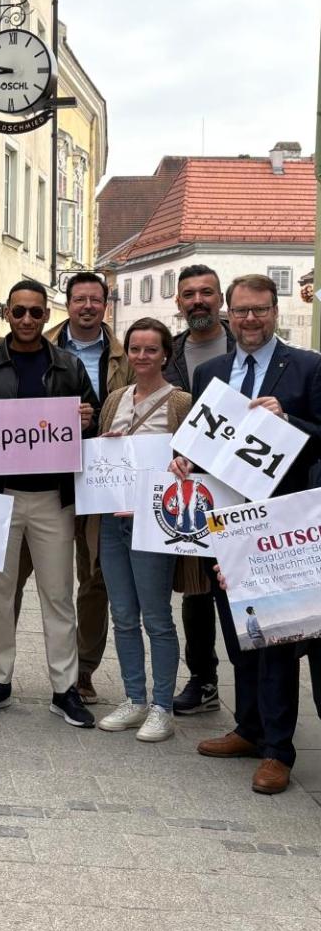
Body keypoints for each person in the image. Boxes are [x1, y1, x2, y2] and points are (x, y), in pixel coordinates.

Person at [0, 271, 133, 703]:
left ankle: (65, 687)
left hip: (55, 498)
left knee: (57, 596)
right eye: (19, 311)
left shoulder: (68, 365)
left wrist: (87, 422)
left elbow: (93, 418)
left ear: (45, 314)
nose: (28, 318)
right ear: (7, 313)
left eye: (36, 311)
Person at [172, 274, 321, 792]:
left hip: (279, 527)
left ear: (275, 312)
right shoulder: (212, 371)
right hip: (224, 525)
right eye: (242, 311)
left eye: (260, 310)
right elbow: (203, 439)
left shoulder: (306, 366)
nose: (251, 319)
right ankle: (250, 728)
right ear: (227, 316)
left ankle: (279, 750)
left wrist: (291, 419)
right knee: (238, 636)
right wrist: (183, 458)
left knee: (273, 637)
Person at [97, 317, 191, 743]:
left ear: (165, 355)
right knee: (122, 615)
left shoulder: (181, 402)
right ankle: (134, 698)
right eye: (135, 348)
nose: (142, 356)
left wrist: (182, 464)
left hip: (153, 524)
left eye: (151, 349)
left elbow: (193, 463)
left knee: (156, 618)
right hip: (112, 521)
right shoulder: (115, 397)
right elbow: (99, 455)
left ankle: (162, 706)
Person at [164, 265, 235, 717]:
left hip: (238, 486)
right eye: (188, 294)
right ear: (178, 303)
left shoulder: (241, 347)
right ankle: (204, 678)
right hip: (184, 484)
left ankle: (256, 680)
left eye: (206, 292)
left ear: (220, 298)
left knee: (240, 583)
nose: (197, 301)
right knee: (197, 589)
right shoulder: (167, 353)